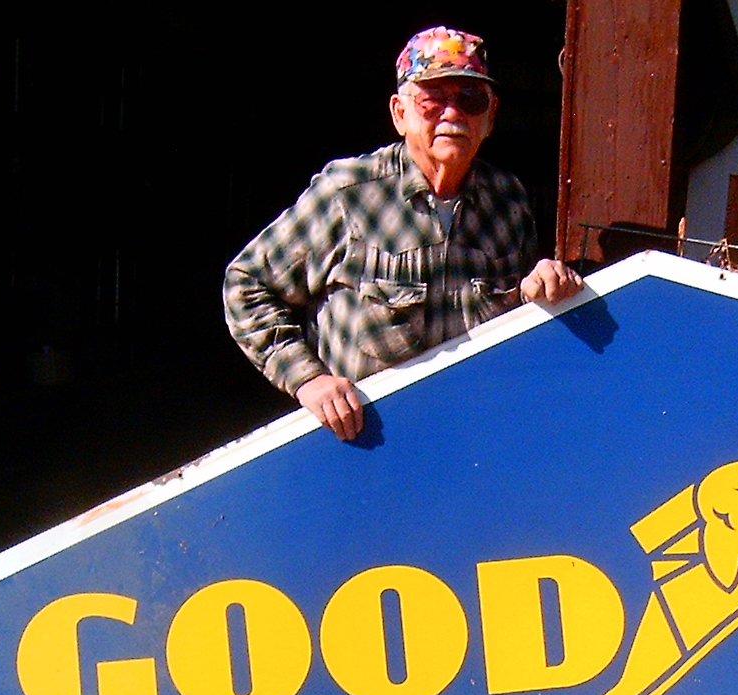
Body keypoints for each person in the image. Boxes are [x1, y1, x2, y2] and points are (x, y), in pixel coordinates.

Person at [223, 27, 583, 441]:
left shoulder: (509, 203)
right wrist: (308, 380)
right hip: (368, 449)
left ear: (490, 117)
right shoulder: (348, 194)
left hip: (474, 443)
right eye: (432, 100)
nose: (452, 114)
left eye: (470, 100)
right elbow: (246, 284)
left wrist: (536, 288)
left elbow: (519, 328)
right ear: (399, 113)